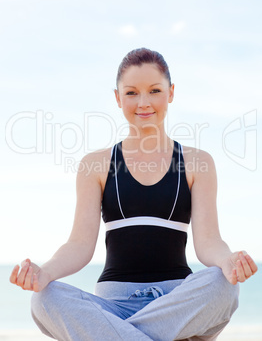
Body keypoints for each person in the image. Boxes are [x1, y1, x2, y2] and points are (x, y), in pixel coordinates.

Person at [10, 48, 258, 341]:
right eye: (131, 93)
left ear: (171, 92)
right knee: (42, 299)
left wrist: (228, 260)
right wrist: (44, 272)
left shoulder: (197, 162)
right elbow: (79, 244)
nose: (143, 103)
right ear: (117, 97)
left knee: (225, 285)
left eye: (154, 90)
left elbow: (208, 243)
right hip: (112, 307)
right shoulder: (95, 165)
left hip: (175, 307)